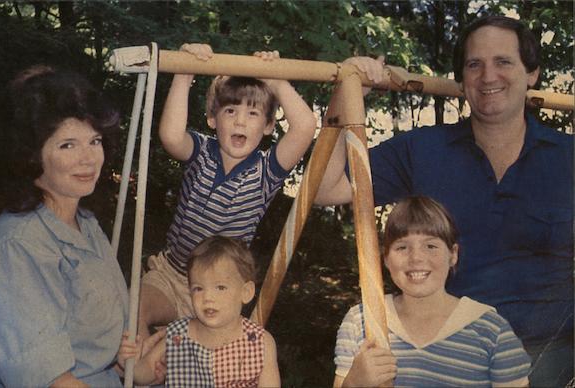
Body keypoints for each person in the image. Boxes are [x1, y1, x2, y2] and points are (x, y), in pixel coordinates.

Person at [316, 15, 573, 387]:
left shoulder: (569, 157)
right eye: (474, 64)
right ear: (462, 80)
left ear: (531, 74)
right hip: (445, 357)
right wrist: (347, 92)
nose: (488, 77)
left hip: (551, 358)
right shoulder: (424, 150)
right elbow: (326, 189)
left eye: (503, 62)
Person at [138, 43, 317, 339]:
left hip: (220, 292)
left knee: (194, 362)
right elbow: (170, 136)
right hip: (171, 276)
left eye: (253, 113)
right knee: (134, 311)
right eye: (230, 110)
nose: (240, 120)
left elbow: (305, 127)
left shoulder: (266, 171)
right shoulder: (201, 152)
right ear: (212, 119)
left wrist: (275, 80)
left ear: (270, 125)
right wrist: (185, 74)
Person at [0, 65, 129, 386]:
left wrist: (132, 364)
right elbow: (52, 381)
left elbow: (100, 348)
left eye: (95, 140)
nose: (89, 158)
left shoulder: (85, 223)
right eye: (67, 145)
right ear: (32, 155)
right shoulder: (14, 248)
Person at [334, 196, 531, 387]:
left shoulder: (491, 330)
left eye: (430, 246)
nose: (416, 258)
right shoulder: (361, 321)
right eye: (402, 247)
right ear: (386, 258)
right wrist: (353, 383)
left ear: (453, 254)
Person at [120, 235, 280, 387]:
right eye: (198, 288)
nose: (207, 297)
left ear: (246, 292)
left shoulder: (259, 342)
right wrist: (130, 365)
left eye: (220, 287)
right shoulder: (178, 333)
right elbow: (146, 372)